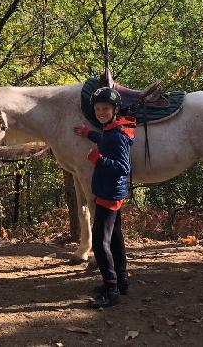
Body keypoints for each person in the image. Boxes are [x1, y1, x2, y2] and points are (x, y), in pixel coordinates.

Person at [73, 86, 135, 308]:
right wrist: (89, 134)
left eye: (106, 108)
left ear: (115, 109)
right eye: (98, 109)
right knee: (115, 239)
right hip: (111, 193)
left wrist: (97, 159)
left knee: (100, 243)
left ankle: (111, 289)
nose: (101, 112)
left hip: (109, 195)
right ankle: (121, 281)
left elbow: (122, 167)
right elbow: (106, 138)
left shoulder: (117, 136)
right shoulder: (112, 131)